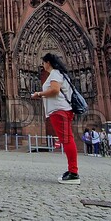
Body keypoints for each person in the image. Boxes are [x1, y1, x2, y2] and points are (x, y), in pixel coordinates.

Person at [31, 52, 80, 184]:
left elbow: (55, 90)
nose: (43, 65)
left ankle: (74, 173)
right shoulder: (60, 74)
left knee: (67, 140)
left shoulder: (55, 74)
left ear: (48, 63)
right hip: (62, 110)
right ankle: (72, 171)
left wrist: (39, 94)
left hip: (60, 111)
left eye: (43, 62)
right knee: (67, 140)